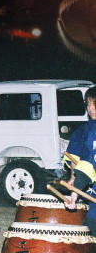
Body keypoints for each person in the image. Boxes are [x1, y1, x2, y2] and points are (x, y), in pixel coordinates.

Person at [64, 85, 96, 237]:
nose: (91, 109)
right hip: (91, 187)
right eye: (88, 104)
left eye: (94, 104)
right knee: (90, 233)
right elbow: (76, 157)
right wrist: (73, 181)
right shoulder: (86, 129)